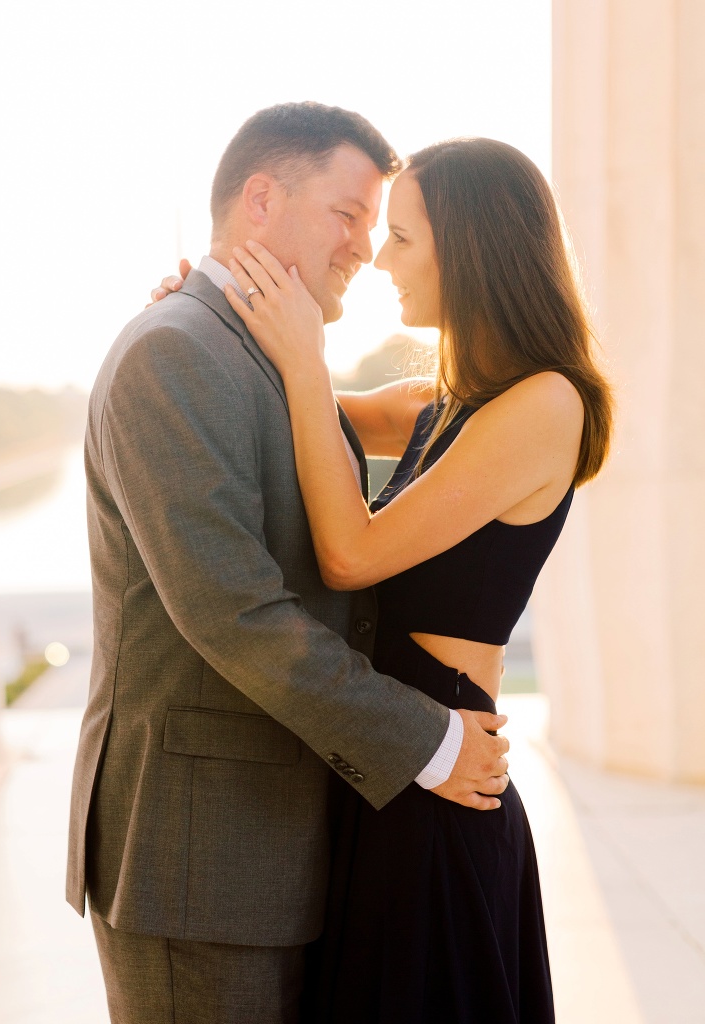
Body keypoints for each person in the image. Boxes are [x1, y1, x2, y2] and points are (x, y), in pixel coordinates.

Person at [66, 103, 510, 1024]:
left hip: (288, 844)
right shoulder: (175, 354)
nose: (364, 247)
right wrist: (428, 740)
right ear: (260, 201)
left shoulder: (263, 352)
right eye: (349, 216)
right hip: (200, 864)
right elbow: (237, 615)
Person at [204, 137, 614, 1021]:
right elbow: (273, 400)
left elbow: (353, 551)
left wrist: (306, 358)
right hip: (394, 762)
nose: (379, 259)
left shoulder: (546, 404)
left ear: (470, 247)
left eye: (402, 238)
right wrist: (213, 320)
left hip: (441, 782)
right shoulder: (446, 399)